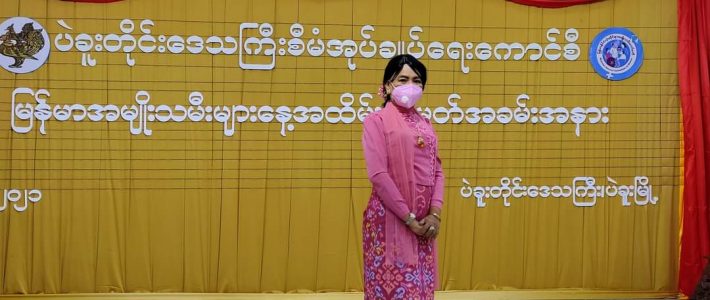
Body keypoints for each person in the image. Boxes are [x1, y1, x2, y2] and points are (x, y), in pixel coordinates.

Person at [361, 54, 445, 300]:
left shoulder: (426, 124)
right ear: (388, 85)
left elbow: (437, 169)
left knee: (419, 290)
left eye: (417, 80)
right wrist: (409, 218)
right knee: (393, 291)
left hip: (424, 222)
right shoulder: (375, 121)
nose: (411, 86)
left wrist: (435, 214)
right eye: (403, 79)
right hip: (391, 219)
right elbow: (378, 175)